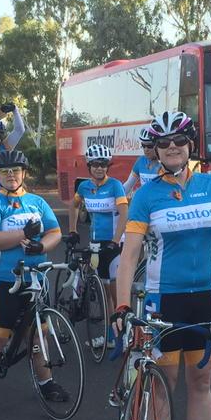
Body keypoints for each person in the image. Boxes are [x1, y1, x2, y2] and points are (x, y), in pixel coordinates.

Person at [112, 111, 211, 420]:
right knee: (164, 385)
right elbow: (130, 256)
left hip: (202, 299)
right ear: (156, 148)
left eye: (179, 142)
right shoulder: (146, 195)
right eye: (164, 143)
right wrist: (121, 307)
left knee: (201, 382)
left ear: (190, 146)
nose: (171, 148)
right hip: (161, 300)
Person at [0, 149, 64, 419]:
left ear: (23, 173)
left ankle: (46, 383)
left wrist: (41, 245)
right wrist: (21, 234)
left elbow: (55, 232)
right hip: (1, 281)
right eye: (5, 171)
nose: (10, 175)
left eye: (15, 170)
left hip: (34, 280)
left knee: (37, 336)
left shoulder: (37, 202)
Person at [67, 143, 128, 349]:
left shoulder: (115, 185)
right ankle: (111, 336)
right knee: (102, 291)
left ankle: (123, 335)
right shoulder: (84, 187)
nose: (99, 168)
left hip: (114, 243)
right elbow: (74, 206)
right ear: (89, 166)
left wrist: (116, 240)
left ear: (107, 166)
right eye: (95, 165)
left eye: (103, 164)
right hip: (95, 243)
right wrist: (73, 230)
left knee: (115, 292)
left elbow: (124, 213)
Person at [123, 127, 162, 193]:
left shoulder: (166, 163)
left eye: (150, 146)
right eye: (143, 145)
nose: (146, 149)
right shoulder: (141, 161)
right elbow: (128, 185)